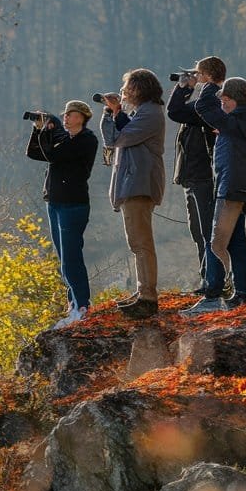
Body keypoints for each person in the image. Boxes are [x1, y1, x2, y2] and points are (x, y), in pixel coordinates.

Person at [182, 76, 246, 315]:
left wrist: (208, 83)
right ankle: (243, 294)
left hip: (229, 189)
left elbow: (202, 107)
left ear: (233, 100)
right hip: (240, 188)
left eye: (225, 99)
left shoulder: (235, 122)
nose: (221, 103)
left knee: (217, 242)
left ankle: (214, 292)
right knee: (236, 242)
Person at [26, 100, 98, 328]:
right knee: (63, 258)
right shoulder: (63, 139)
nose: (66, 118)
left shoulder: (86, 140)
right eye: (64, 115)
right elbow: (34, 153)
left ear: (83, 117)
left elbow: (55, 155)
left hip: (73, 204)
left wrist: (53, 128)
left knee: (71, 257)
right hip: (55, 202)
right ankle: (73, 304)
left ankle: (82, 305)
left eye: (71, 114)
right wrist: (39, 129)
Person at [100, 68, 166, 319]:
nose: (124, 92)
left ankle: (148, 296)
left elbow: (117, 138)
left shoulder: (149, 113)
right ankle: (143, 292)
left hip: (139, 184)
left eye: (127, 87)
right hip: (134, 182)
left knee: (141, 242)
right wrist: (116, 112)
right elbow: (121, 134)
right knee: (137, 242)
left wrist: (110, 114)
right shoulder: (143, 112)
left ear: (139, 88)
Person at [167, 56, 226, 296]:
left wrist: (183, 88)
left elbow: (174, 111)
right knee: (197, 231)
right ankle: (207, 278)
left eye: (198, 73)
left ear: (208, 75)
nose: (195, 77)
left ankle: (214, 281)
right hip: (192, 175)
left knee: (207, 231)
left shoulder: (210, 101)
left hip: (203, 174)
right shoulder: (202, 101)